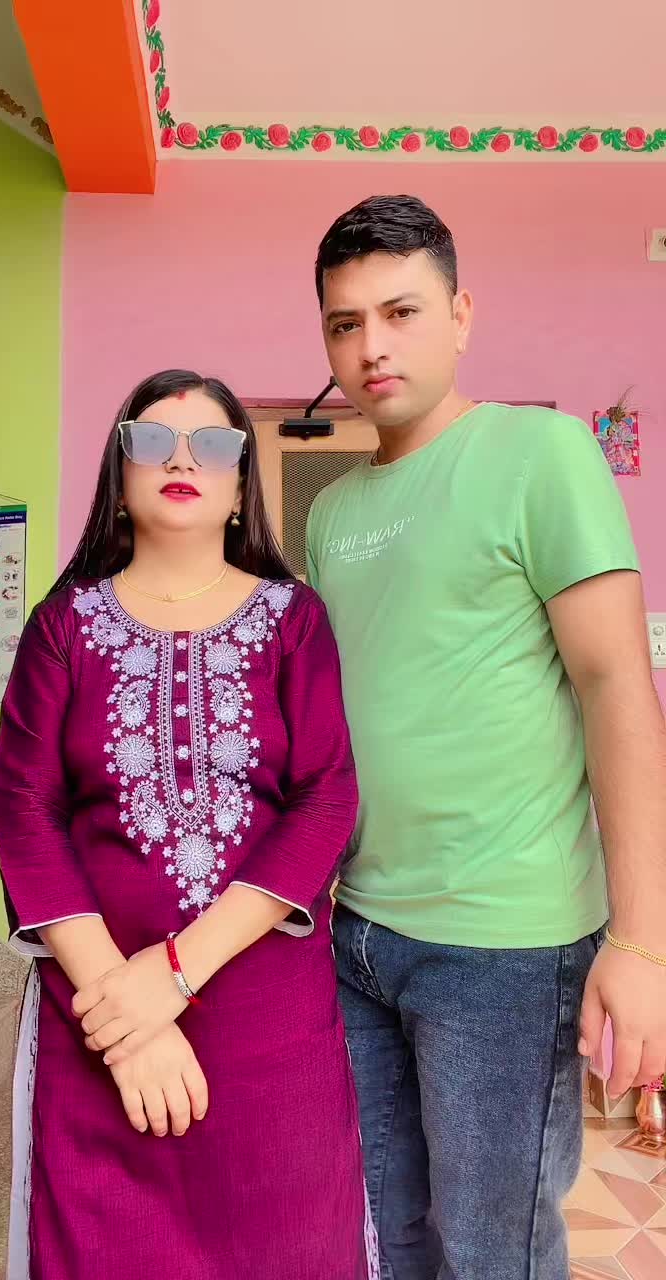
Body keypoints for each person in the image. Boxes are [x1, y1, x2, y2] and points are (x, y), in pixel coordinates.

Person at [305, 195, 666, 1280]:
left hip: (503, 947)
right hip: (358, 932)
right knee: (387, 1233)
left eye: (402, 311)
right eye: (346, 322)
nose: (373, 346)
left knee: (490, 1250)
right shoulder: (330, 511)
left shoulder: (539, 449)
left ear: (461, 315)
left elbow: (616, 686)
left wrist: (643, 943)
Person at [0, 369, 379, 1280]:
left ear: (241, 483)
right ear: (119, 473)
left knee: (289, 1248)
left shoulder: (293, 621)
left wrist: (172, 975)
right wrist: (125, 1017)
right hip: (96, 1015)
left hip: (268, 1026)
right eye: (153, 442)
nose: (180, 461)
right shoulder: (62, 627)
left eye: (211, 444)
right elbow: (24, 808)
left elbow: (325, 798)